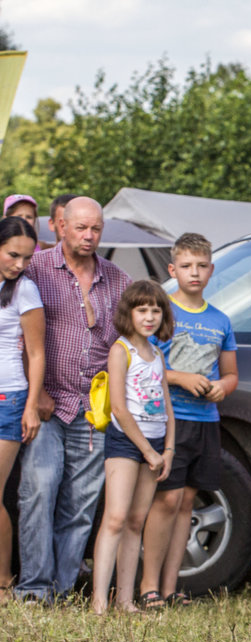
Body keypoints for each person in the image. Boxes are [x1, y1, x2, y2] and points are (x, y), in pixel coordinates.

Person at [16, 197, 131, 604]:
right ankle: (34, 589)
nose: (88, 236)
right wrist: (38, 392)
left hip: (93, 408)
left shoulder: (118, 280)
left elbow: (127, 344)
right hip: (47, 403)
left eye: (95, 229)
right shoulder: (36, 270)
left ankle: (63, 589)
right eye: (80, 227)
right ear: (60, 226)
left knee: (80, 504)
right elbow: (19, 337)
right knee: (40, 490)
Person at [138, 233, 238, 609]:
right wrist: (181, 378)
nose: (194, 273)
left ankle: (170, 587)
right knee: (165, 502)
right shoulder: (162, 312)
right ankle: (148, 587)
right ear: (172, 269)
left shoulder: (220, 319)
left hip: (206, 420)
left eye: (201, 266)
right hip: (171, 420)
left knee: (187, 503)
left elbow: (230, 374)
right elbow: (146, 367)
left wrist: (221, 388)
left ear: (211, 270)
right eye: (186, 266)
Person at [91, 281, 175, 614]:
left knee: (136, 522)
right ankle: (99, 600)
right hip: (126, 441)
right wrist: (148, 451)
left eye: (156, 310)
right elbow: (120, 409)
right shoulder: (120, 349)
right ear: (129, 313)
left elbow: (167, 407)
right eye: (142, 309)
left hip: (155, 443)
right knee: (115, 518)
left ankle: (125, 599)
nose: (150, 316)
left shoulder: (156, 354)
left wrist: (167, 450)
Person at [0, 217, 43, 604]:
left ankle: (3, 583)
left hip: (8, 399)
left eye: (27, 258)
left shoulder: (25, 291)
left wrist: (31, 406)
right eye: (13, 255)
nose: (19, 264)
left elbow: (36, 352)